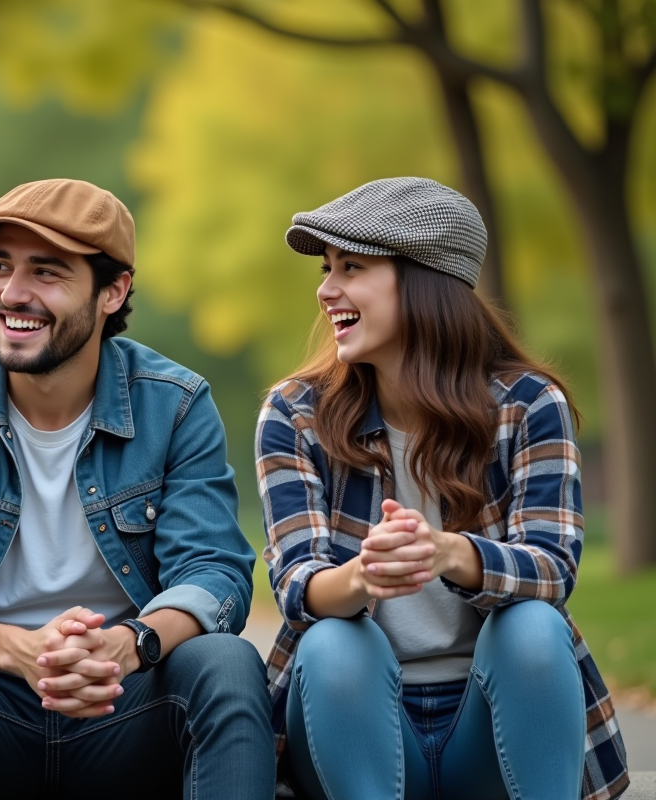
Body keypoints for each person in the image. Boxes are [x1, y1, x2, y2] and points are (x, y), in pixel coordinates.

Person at [0, 178, 275, 798]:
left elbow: (215, 572)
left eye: (46, 273)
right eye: (0, 266)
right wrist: (18, 650)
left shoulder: (176, 404)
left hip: (123, 705)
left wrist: (127, 646)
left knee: (227, 662)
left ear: (113, 291)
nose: (13, 294)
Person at [256, 177, 629, 799]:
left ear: (427, 281)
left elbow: (553, 566)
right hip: (358, 726)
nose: (326, 289)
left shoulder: (529, 404)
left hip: (487, 725)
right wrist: (365, 575)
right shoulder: (297, 413)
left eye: (352, 266)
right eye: (326, 268)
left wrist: (450, 553)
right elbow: (297, 582)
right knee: (332, 643)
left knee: (533, 626)